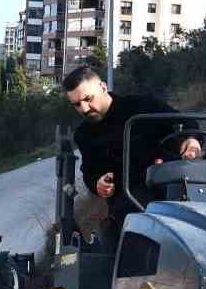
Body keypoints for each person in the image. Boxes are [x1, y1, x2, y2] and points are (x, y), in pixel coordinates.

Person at [62, 66, 181, 247]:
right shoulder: (84, 135)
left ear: (102, 87)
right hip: (130, 203)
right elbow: (89, 173)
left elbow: (184, 122)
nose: (84, 108)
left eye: (88, 99)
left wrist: (192, 140)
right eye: (77, 104)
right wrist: (98, 183)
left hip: (174, 186)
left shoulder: (142, 106)